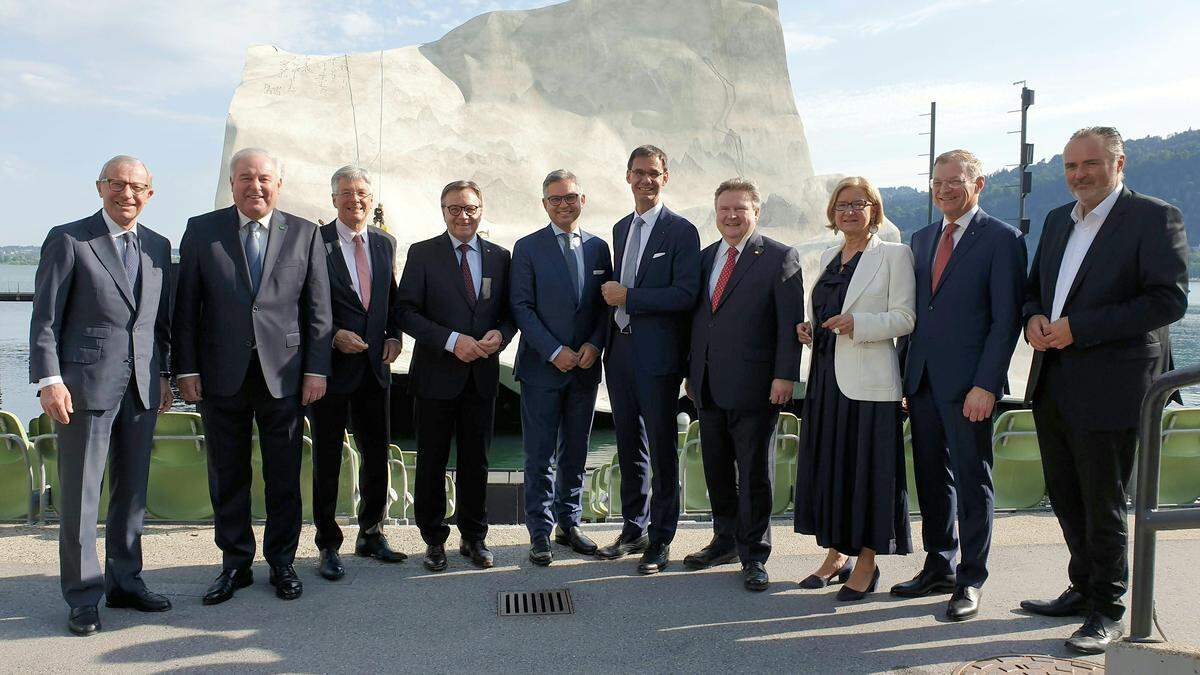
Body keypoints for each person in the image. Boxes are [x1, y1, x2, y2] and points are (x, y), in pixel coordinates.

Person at [1020, 127, 1188, 654]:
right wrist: (1033, 320)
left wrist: (1080, 328)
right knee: (1066, 493)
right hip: (1053, 378)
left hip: (1114, 383)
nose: (1079, 175)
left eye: (1090, 164)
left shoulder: (1153, 216)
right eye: (1070, 166)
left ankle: (1109, 608)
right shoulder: (1055, 221)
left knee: (1103, 500)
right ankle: (1082, 587)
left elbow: (1168, 301)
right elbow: (1033, 291)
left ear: (1119, 163)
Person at [174, 147, 332, 605]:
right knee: (228, 474)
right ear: (232, 182)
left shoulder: (304, 234)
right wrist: (185, 369)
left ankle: (283, 562)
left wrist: (316, 370)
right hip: (220, 375)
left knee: (284, 474)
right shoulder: (202, 231)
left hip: (283, 376)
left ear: (278, 185)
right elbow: (186, 307)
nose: (255, 186)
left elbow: (317, 312)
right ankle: (235, 563)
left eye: (264, 178)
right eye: (245, 177)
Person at [30, 155, 174, 636]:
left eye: (137, 187)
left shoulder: (158, 246)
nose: (127, 194)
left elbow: (159, 321)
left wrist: (165, 374)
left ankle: (126, 582)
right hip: (83, 386)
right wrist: (50, 380)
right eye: (117, 184)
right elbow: (45, 318)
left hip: (142, 385)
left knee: (132, 494)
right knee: (82, 496)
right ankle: (83, 595)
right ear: (100, 187)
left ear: (150, 194)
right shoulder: (70, 239)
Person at [891, 150, 1025, 621]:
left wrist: (986, 384)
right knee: (930, 479)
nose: (944, 189)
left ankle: (972, 578)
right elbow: (917, 315)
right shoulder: (922, 237)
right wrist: (908, 374)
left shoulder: (1003, 239)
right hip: (923, 381)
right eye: (937, 182)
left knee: (972, 480)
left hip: (970, 387)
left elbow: (1005, 320)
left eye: (954, 181)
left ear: (978, 184)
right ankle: (938, 563)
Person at [794, 176, 916, 601]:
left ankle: (866, 562)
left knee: (867, 473)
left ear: (874, 210)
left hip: (869, 384)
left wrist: (858, 325)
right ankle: (835, 556)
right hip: (826, 379)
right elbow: (826, 310)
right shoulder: (829, 256)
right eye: (842, 204)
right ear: (832, 213)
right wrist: (810, 328)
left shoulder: (894, 256)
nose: (849, 211)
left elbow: (905, 318)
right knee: (833, 469)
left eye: (858, 204)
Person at [683, 179, 803, 591]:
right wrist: (690, 372)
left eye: (739, 209)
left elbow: (790, 324)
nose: (731, 217)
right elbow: (699, 321)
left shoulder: (779, 257)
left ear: (756, 212)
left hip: (756, 386)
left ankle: (754, 553)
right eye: (724, 210)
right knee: (716, 467)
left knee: (754, 473)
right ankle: (724, 540)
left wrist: (785, 375)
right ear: (715, 214)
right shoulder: (704, 259)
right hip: (707, 384)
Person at [395, 180, 516, 572]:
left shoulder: (500, 257)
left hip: (481, 376)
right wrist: (450, 341)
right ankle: (433, 541)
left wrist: (502, 333)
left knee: (475, 462)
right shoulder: (423, 253)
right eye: (454, 208)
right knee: (431, 461)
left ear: (481, 209)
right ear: (443, 210)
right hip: (435, 376)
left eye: (470, 208)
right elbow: (406, 312)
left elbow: (509, 312)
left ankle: (474, 537)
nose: (463, 215)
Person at [596, 145, 701, 574]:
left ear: (666, 176)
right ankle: (632, 526)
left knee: (661, 446)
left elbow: (685, 294)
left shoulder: (681, 231)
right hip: (619, 352)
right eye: (638, 173)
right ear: (627, 177)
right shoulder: (621, 228)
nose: (646, 180)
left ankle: (661, 538)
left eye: (653, 173)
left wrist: (630, 298)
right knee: (628, 445)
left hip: (658, 356)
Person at [510, 170, 613, 566]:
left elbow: (605, 306)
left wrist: (594, 344)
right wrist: (554, 350)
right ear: (544, 204)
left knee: (576, 450)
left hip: (585, 367)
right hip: (541, 368)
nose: (563, 204)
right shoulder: (528, 247)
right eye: (555, 199)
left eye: (570, 197)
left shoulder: (600, 248)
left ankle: (569, 525)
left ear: (582, 200)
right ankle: (539, 532)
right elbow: (521, 307)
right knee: (539, 454)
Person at [310, 165, 406, 581]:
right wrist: (332, 336)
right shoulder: (315, 242)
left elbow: (391, 298)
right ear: (334, 199)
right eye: (346, 193)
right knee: (328, 459)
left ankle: (371, 531)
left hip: (374, 370)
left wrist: (395, 337)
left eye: (362, 192)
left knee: (376, 455)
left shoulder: (385, 242)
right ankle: (328, 544)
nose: (355, 199)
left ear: (372, 197)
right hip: (329, 370)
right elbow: (301, 303)